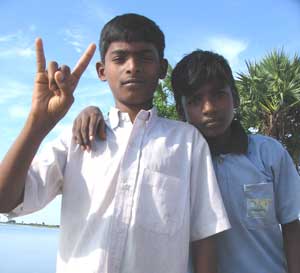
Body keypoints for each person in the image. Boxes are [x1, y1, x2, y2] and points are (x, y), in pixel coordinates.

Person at [0, 14, 230, 273]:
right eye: (119, 58)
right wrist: (37, 124)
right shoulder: (76, 140)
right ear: (101, 71)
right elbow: (4, 200)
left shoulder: (187, 142)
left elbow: (205, 236)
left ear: (162, 68)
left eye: (145, 57)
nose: (132, 67)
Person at [73, 49, 300, 273]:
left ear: (236, 98)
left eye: (219, 94)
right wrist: (93, 112)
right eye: (195, 100)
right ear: (182, 110)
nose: (209, 108)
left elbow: (291, 225)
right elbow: (131, 141)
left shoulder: (268, 154)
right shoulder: (174, 157)